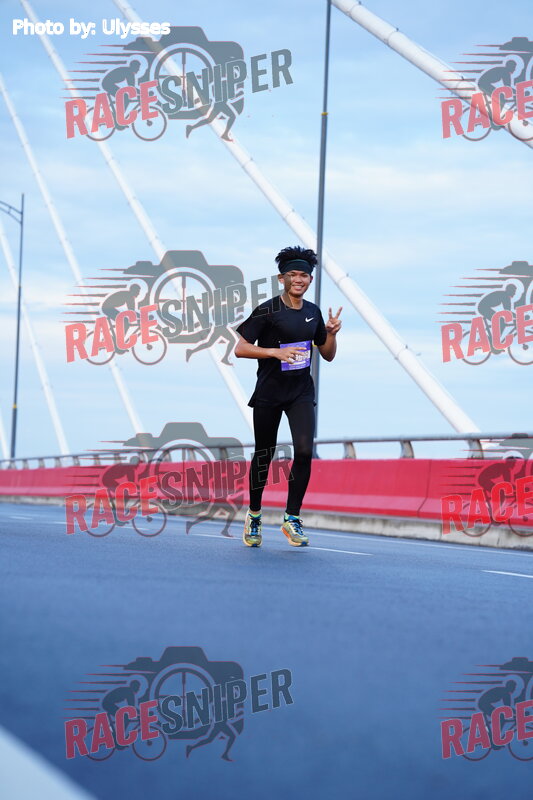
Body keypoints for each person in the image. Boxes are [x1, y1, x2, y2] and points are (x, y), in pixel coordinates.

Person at [235, 245, 342, 547]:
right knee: (264, 454)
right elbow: (241, 348)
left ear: (310, 280)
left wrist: (331, 334)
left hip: (300, 392)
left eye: (304, 275)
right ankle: (254, 515)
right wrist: (274, 352)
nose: (298, 279)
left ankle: (292, 518)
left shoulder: (313, 312)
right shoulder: (267, 310)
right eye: (292, 274)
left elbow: (328, 354)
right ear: (281, 278)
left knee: (304, 451)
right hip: (269, 392)